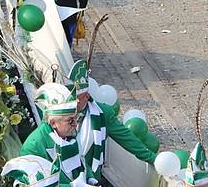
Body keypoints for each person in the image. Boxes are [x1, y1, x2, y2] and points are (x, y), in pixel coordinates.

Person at [21, 62, 156, 185]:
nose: (74, 125)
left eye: (74, 119)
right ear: (53, 122)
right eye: (70, 120)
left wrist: (153, 158)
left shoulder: (89, 122)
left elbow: (82, 162)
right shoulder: (35, 145)